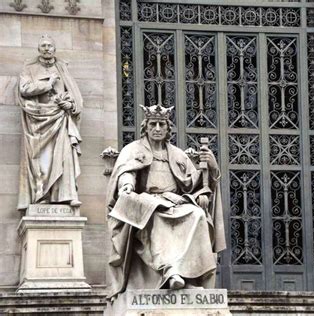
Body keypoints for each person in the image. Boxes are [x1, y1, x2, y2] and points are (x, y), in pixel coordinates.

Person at [106, 104, 225, 300]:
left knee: (197, 215)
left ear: (168, 128)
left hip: (175, 203)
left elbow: (194, 184)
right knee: (153, 214)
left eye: (162, 124)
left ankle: (190, 278)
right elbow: (126, 173)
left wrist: (212, 168)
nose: (158, 128)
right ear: (146, 127)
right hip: (147, 201)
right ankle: (169, 270)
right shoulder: (133, 149)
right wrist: (126, 186)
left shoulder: (177, 154)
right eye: (153, 123)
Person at [17, 34, 82, 210]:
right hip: (38, 121)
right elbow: (24, 89)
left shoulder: (62, 68)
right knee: (43, 161)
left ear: (54, 49)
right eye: (43, 45)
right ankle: (41, 196)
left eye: (50, 45)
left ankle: (66, 195)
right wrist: (48, 84)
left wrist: (69, 104)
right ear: (39, 49)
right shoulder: (29, 68)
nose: (47, 48)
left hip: (60, 118)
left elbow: (75, 97)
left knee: (64, 157)